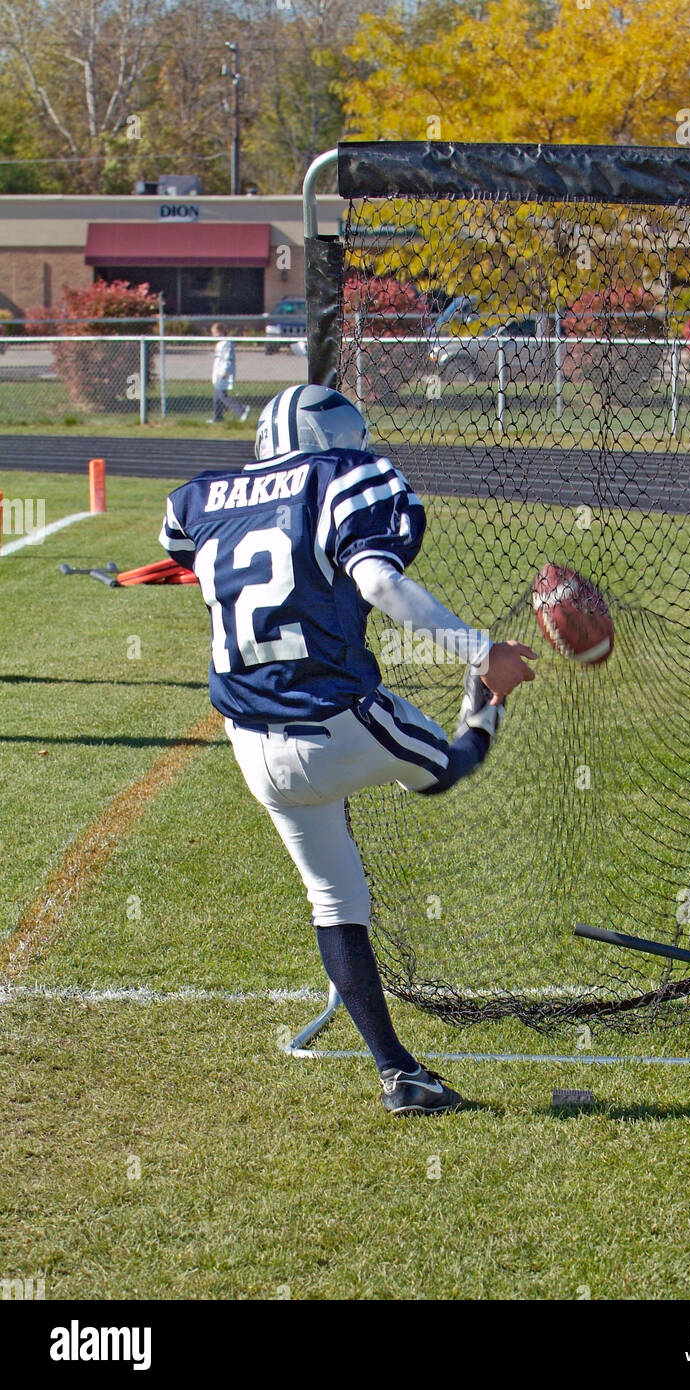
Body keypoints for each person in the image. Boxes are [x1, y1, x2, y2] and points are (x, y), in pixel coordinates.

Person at [159, 385, 537, 1115]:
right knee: (444, 768)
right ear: (341, 436)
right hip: (334, 720)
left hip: (249, 742)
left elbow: (187, 554)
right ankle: (484, 700)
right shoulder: (344, 477)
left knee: (334, 898)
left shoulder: (203, 497)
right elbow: (376, 579)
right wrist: (482, 651)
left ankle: (400, 1074)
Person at [208, 321, 251, 425]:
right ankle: (218, 416)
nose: (214, 335)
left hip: (224, 373)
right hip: (219, 373)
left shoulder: (226, 343)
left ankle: (241, 410)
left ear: (221, 331)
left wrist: (224, 371)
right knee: (217, 394)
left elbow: (228, 359)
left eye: (215, 332)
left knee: (222, 395)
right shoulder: (220, 344)